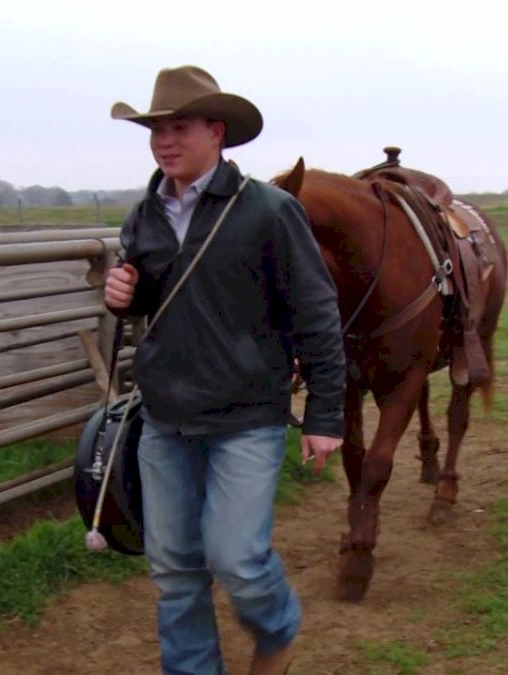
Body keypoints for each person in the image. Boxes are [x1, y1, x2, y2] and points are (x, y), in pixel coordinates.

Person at [105, 65, 345, 675]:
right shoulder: (144, 215)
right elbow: (154, 300)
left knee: (236, 558)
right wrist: (123, 295)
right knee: (175, 569)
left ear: (216, 131)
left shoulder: (269, 211)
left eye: (178, 127)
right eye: (156, 129)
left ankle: (278, 628)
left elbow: (317, 314)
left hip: (246, 416)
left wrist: (324, 414)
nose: (164, 141)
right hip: (165, 417)